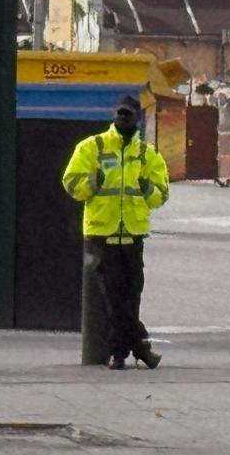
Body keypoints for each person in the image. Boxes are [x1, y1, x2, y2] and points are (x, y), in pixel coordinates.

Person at [62, 96, 170, 370]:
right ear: (113, 116)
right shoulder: (92, 147)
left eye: (128, 114)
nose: (123, 118)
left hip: (133, 236)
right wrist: (92, 183)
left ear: (137, 118)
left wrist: (147, 189)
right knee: (114, 295)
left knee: (131, 296)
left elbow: (161, 195)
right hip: (102, 234)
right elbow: (71, 184)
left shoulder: (147, 155)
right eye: (119, 113)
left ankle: (121, 353)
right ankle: (140, 347)